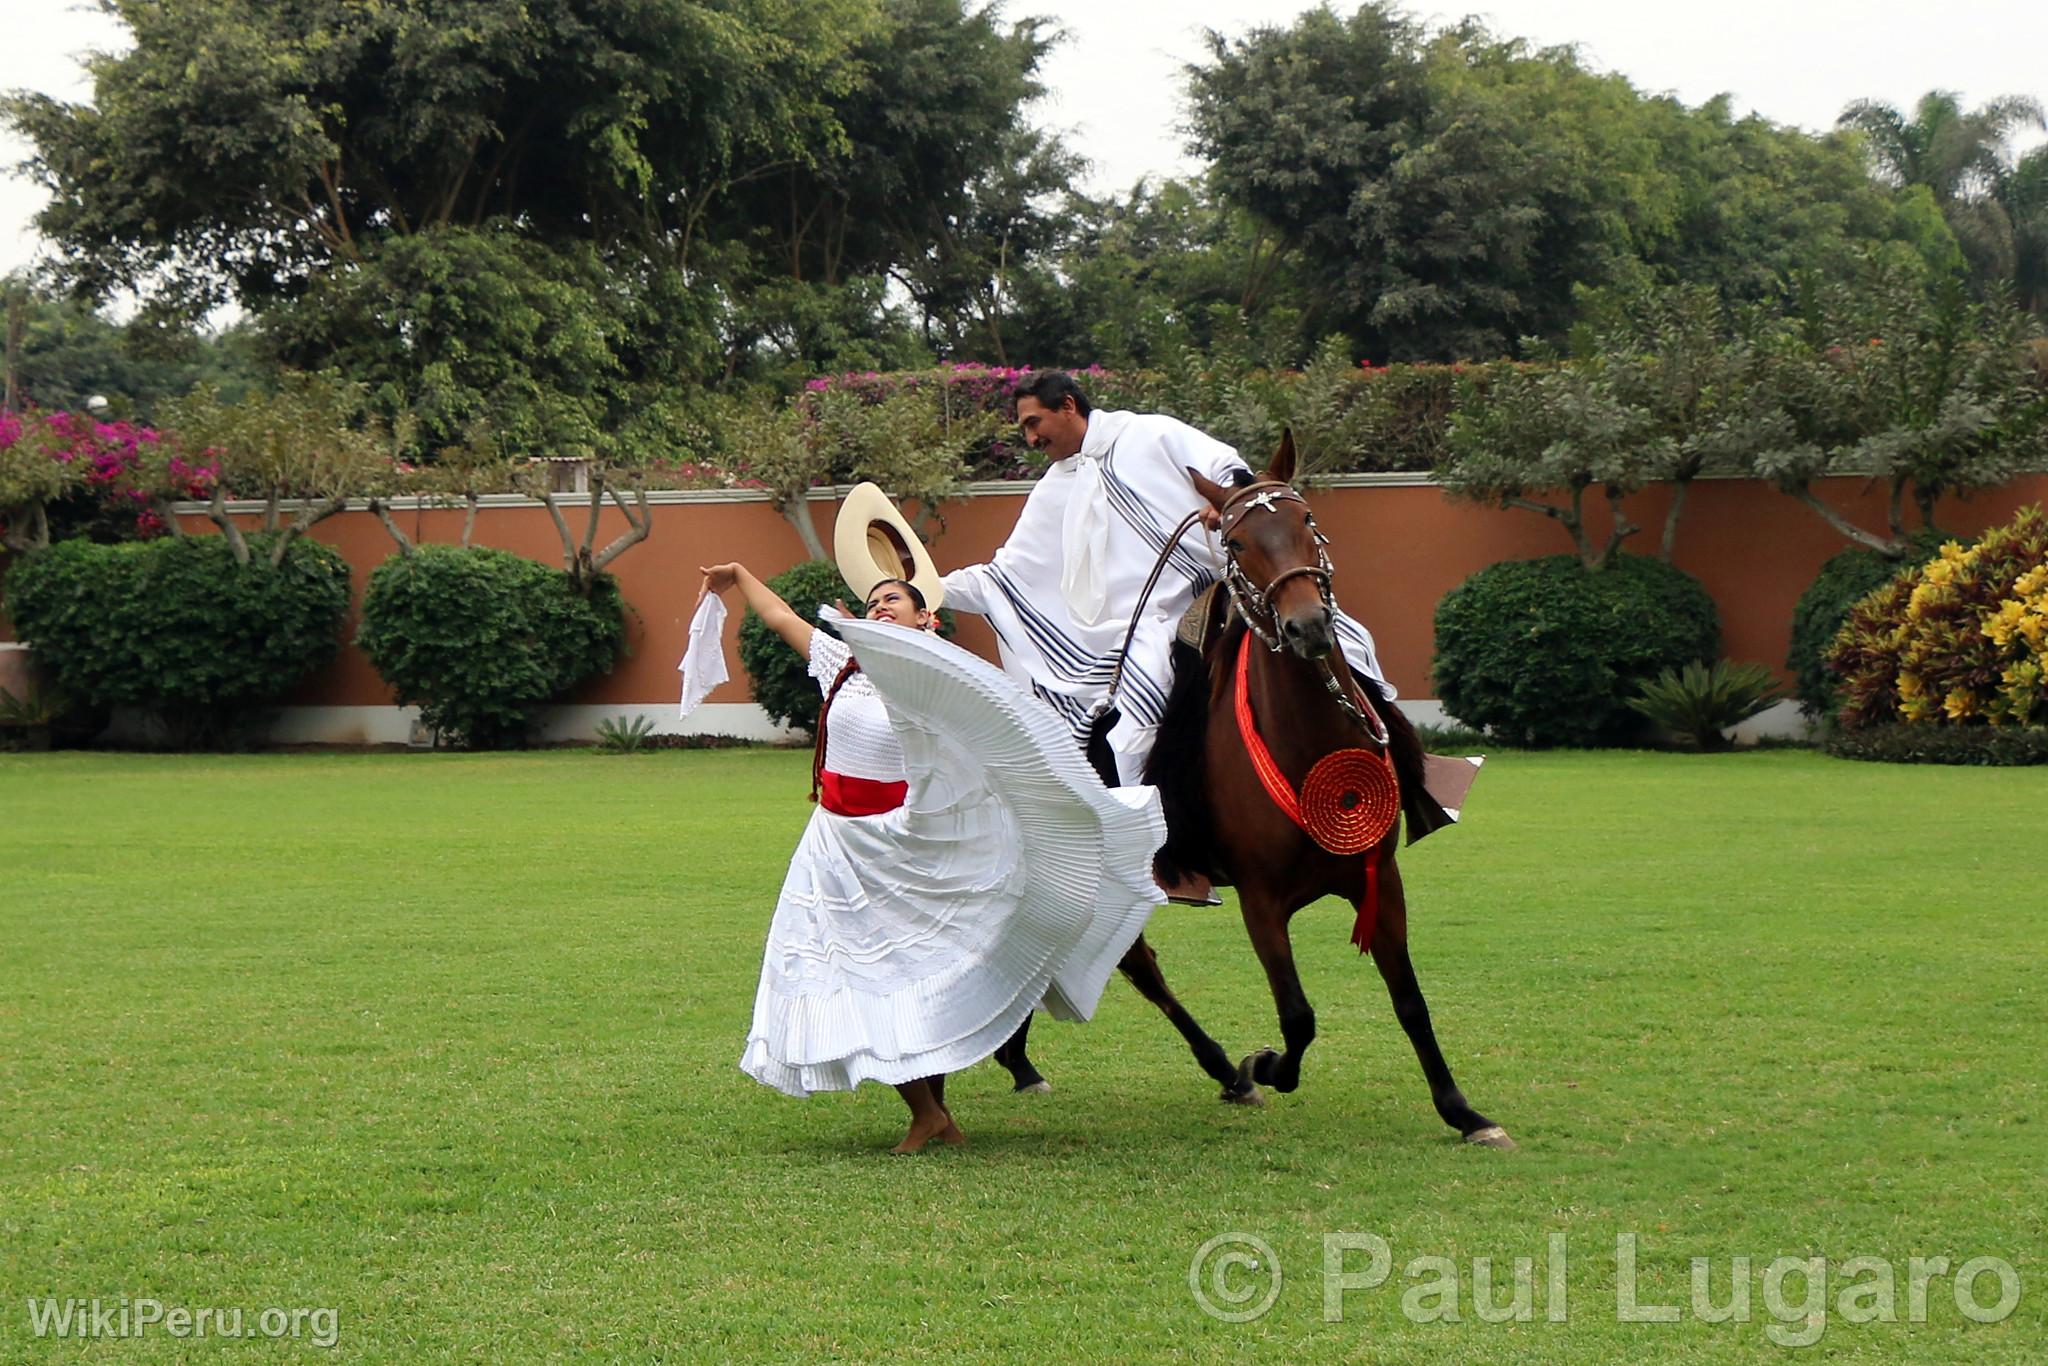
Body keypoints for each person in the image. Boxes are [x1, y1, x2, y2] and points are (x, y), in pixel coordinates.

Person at [696, 551, 1165, 1154]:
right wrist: (739, 576)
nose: (879, 608)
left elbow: (998, 745)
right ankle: (930, 1112)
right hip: (836, 845)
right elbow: (781, 615)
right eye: (871, 603)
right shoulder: (843, 664)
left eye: (893, 600)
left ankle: (932, 1112)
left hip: (907, 844)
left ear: (927, 620)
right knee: (841, 969)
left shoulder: (943, 679)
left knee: (911, 972)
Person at [940, 370, 1398, 790]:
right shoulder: (1053, 489)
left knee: (1351, 641)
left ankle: (1409, 773)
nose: (1031, 437)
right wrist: (926, 588)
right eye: (1024, 429)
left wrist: (1225, 503)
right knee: (1144, 696)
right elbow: (1003, 575)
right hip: (1148, 625)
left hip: (1223, 587)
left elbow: (1225, 468)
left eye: (1033, 422)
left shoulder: (1150, 432)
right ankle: (1158, 836)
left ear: (1068, 406)